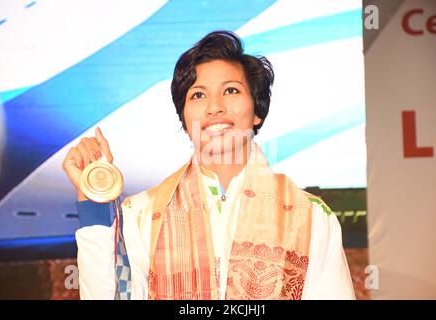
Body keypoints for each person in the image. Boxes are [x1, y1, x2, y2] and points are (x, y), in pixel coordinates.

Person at [62, 30, 355, 300]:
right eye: (198, 95)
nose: (215, 107)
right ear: (185, 118)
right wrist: (93, 199)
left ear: (256, 111)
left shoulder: (310, 217)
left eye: (230, 91)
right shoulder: (142, 214)